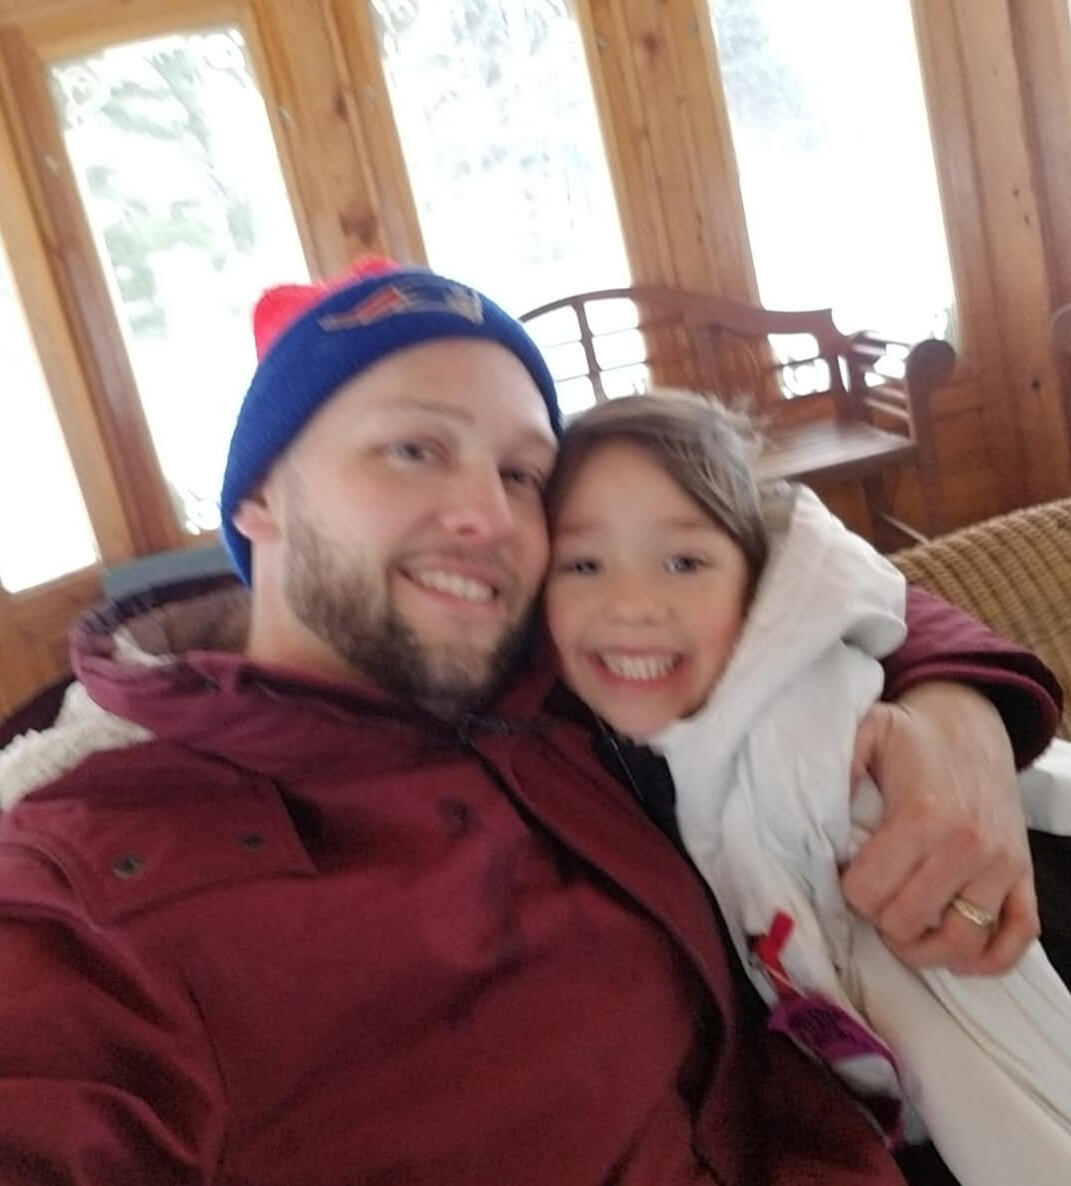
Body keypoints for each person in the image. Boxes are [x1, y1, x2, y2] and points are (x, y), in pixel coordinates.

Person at [0, 257, 1060, 1186]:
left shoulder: (555, 663)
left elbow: (794, 565)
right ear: (257, 500)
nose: (489, 517)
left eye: (521, 473)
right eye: (413, 449)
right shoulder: (88, 885)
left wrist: (958, 715)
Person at [542, 393, 1071, 1186]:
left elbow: (977, 1031)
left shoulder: (815, 749)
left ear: (757, 584)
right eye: (582, 565)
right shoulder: (628, 748)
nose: (630, 605)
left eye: (683, 562)